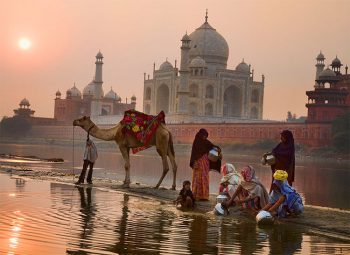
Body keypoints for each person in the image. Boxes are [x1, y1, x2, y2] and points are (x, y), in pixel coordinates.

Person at [189, 128, 221, 200]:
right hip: (198, 163)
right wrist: (195, 162)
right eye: (203, 135)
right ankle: (196, 195)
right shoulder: (196, 142)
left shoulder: (206, 142)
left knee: (205, 177)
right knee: (197, 178)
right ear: (200, 135)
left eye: (206, 136)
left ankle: (204, 196)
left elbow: (212, 146)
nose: (205, 137)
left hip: (205, 162)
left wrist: (218, 150)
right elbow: (193, 154)